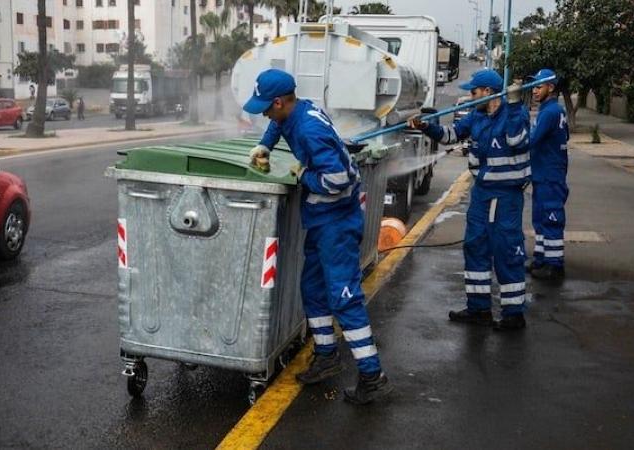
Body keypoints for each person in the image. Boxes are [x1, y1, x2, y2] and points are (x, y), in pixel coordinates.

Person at [244, 68, 392, 405]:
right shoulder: (298, 109)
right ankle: (326, 356)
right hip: (322, 218)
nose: (265, 112)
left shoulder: (309, 129)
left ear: (280, 101)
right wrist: (263, 145)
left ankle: (373, 375)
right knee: (311, 287)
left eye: (267, 106)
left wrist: (303, 175)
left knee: (344, 297)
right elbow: (278, 125)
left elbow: (338, 178)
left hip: (337, 222)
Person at [408, 69, 531, 331]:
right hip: (482, 192)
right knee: (475, 246)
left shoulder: (514, 114)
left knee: (506, 250)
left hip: (505, 195)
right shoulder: (477, 115)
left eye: (474, 92)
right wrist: (426, 126)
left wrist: (514, 104)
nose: (471, 97)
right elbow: (451, 135)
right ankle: (478, 308)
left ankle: (513, 313)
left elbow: (516, 140)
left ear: (488, 92)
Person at [526, 69, 570, 280]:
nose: (534, 91)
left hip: (549, 174)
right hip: (544, 173)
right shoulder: (552, 110)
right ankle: (541, 258)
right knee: (540, 218)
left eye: (538, 86)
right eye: (533, 86)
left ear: (550, 88)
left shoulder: (550, 112)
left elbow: (532, 140)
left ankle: (554, 264)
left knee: (551, 218)